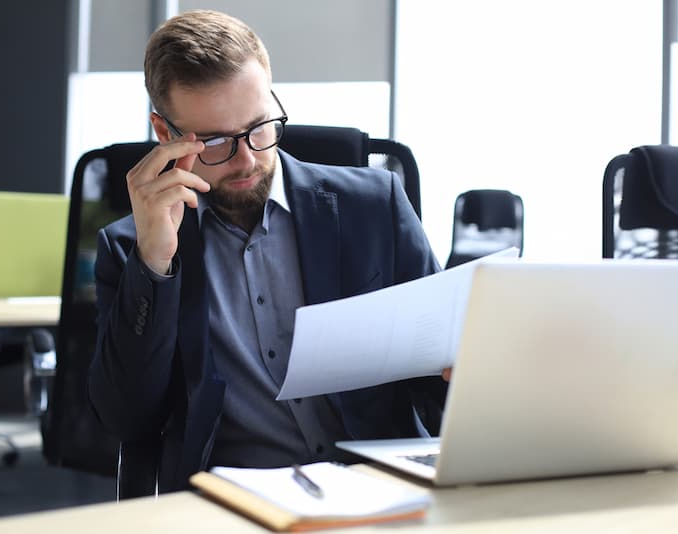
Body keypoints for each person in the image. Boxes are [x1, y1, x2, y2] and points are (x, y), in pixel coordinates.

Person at [88, 9, 447, 494]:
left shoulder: (373, 205)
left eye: (260, 127)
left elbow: (440, 379)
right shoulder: (131, 248)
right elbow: (125, 416)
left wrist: (470, 374)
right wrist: (154, 263)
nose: (247, 159)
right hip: (235, 504)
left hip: (379, 493)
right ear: (164, 133)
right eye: (214, 141)